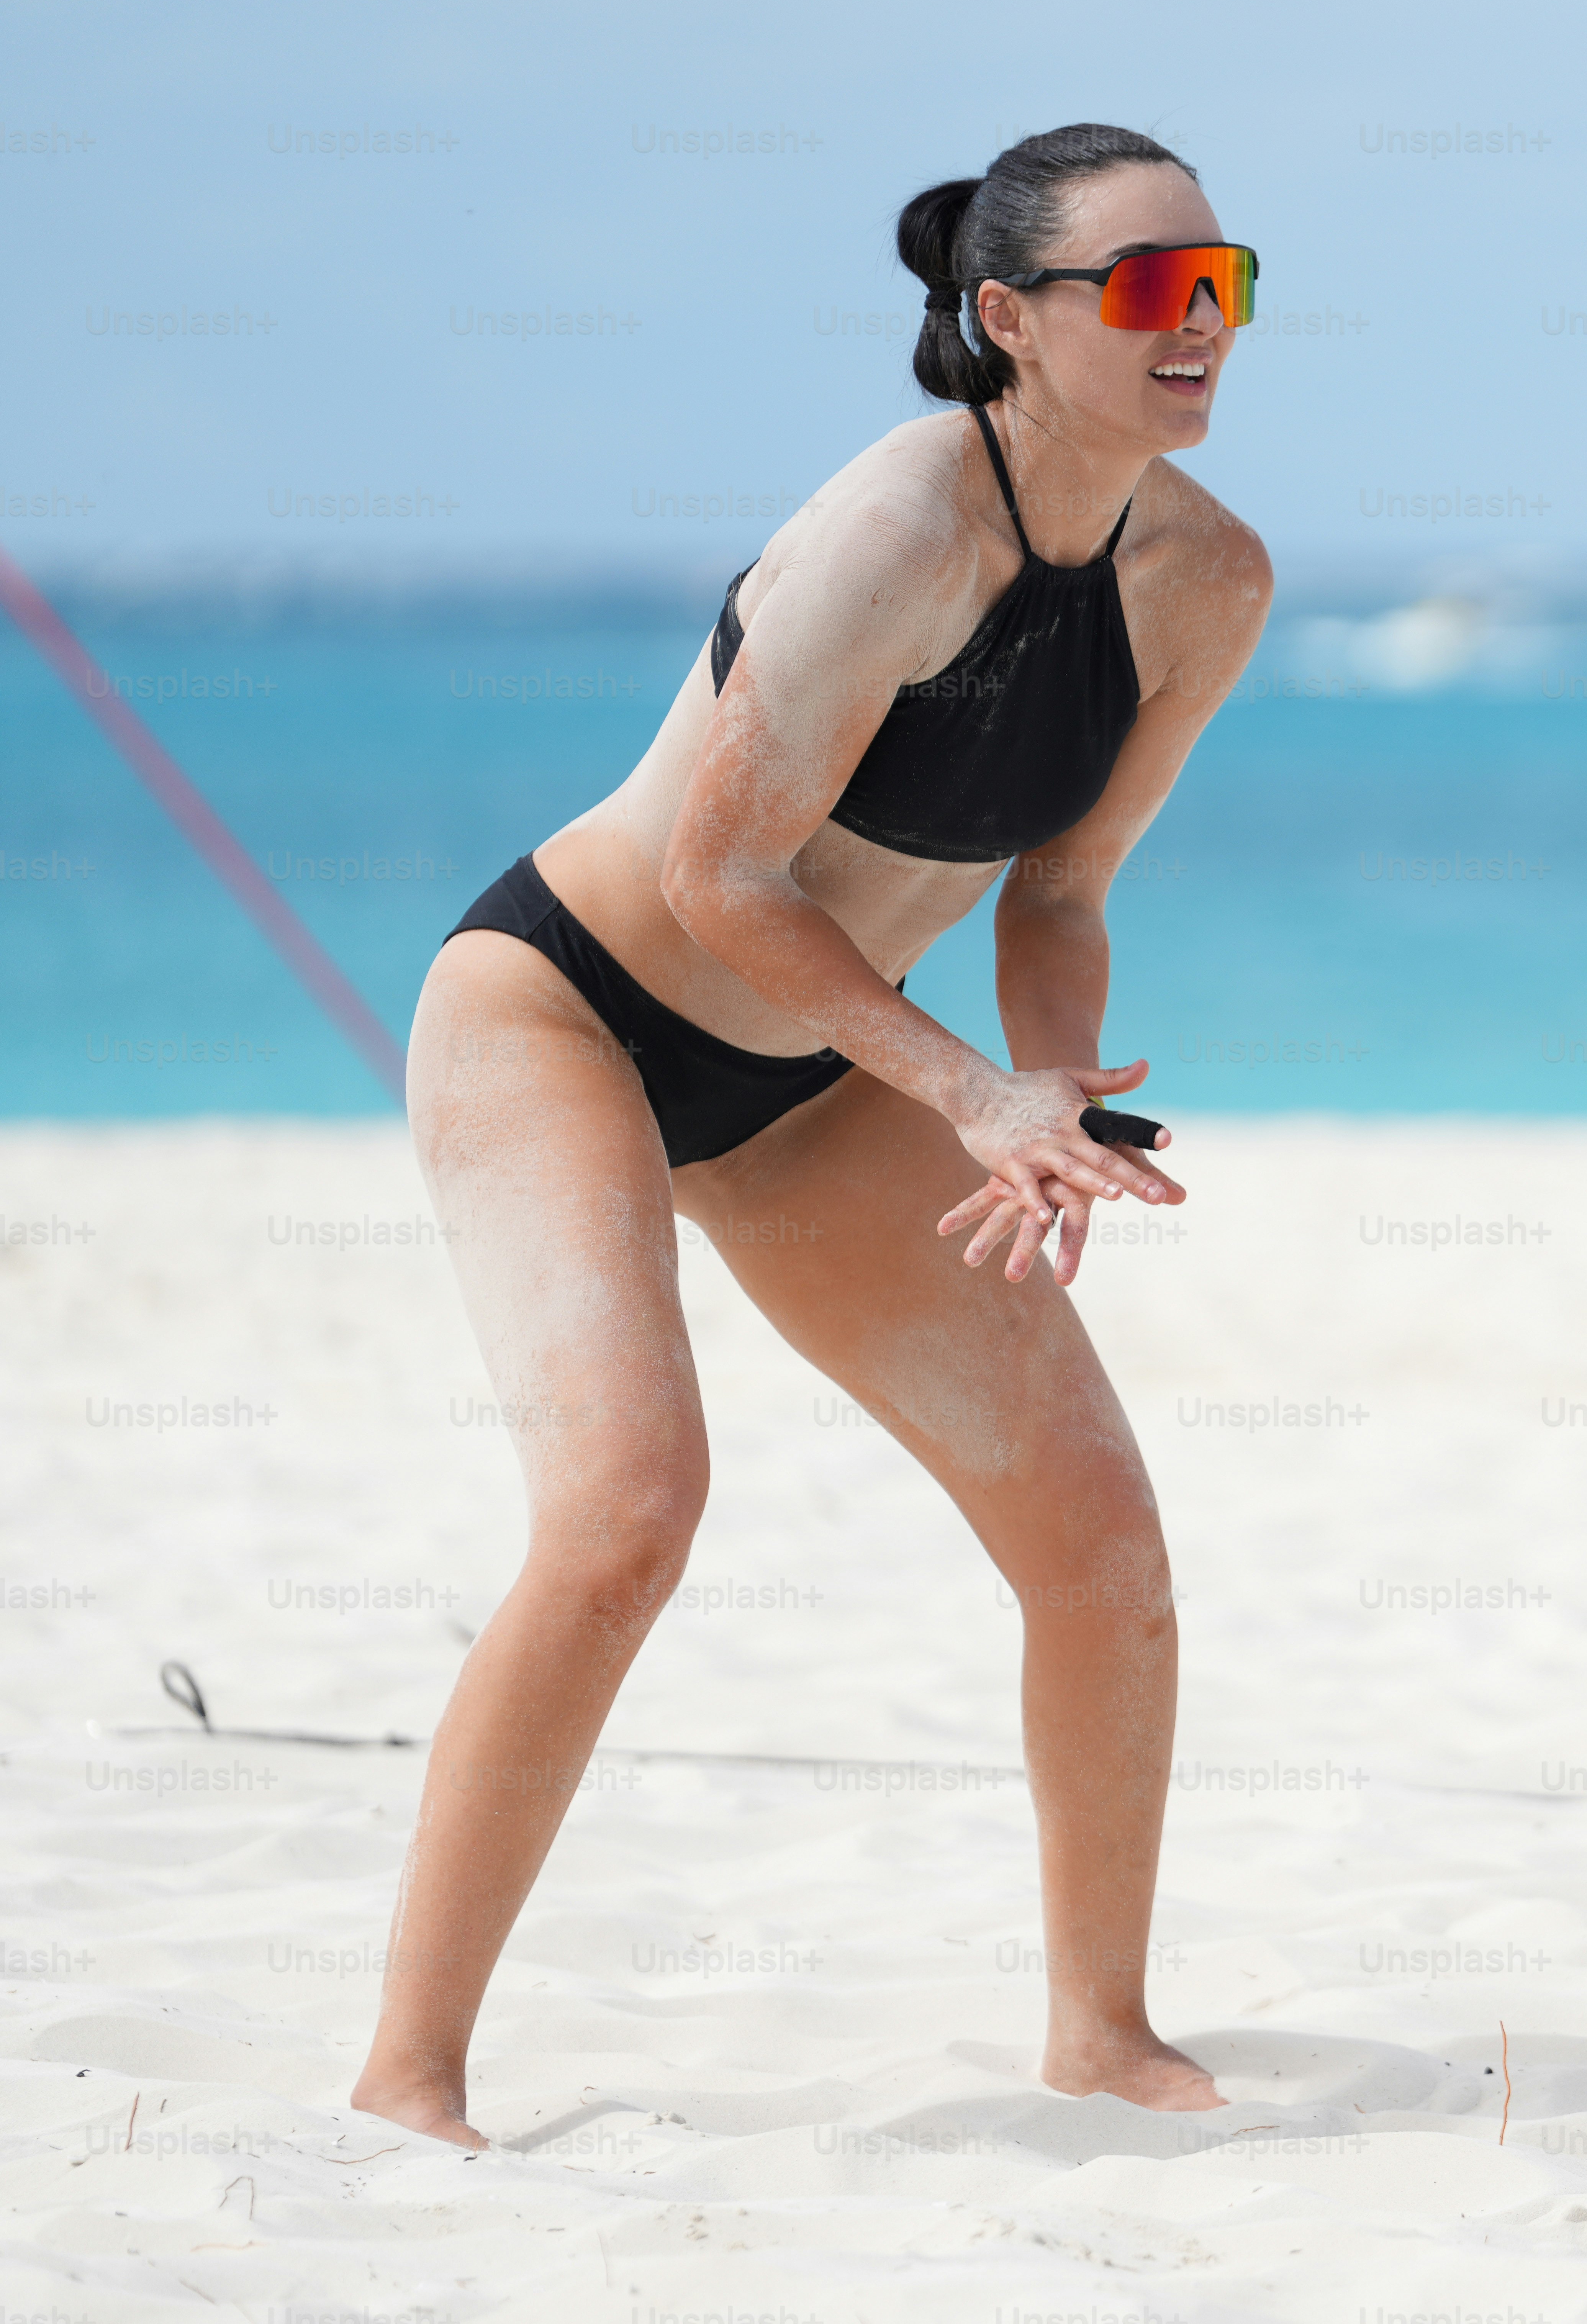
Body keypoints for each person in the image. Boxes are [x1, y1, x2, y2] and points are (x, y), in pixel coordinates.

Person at [349, 123, 1272, 2147]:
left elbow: (1060, 891)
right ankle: (410, 2071)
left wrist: (1053, 1098)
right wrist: (966, 1093)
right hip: (567, 1014)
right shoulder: (894, 526)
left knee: (1098, 1542)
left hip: (817, 1076)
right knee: (628, 1516)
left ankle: (1102, 2033)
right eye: (1149, 286)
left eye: (1224, 282)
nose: (1198, 320)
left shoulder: (1209, 579)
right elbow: (719, 874)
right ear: (1009, 318)